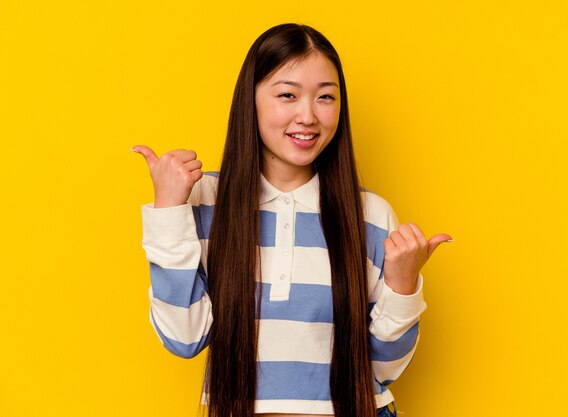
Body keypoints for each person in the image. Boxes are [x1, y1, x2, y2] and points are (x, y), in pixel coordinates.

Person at [132, 23, 451, 417]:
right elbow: (183, 337)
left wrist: (403, 287)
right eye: (287, 95)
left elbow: (382, 370)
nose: (308, 116)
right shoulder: (204, 201)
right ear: (251, 101)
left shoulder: (369, 215)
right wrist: (167, 211)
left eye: (325, 97)